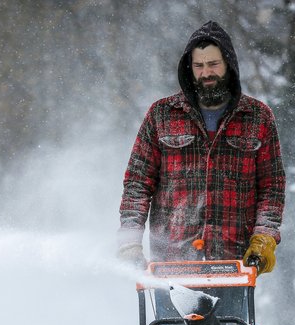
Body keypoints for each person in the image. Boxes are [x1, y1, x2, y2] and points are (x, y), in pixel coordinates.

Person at [117, 20, 285, 273]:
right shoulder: (161, 114)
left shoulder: (257, 117)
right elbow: (137, 183)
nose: (206, 73)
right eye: (199, 66)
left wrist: (264, 238)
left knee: (229, 316)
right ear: (190, 68)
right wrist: (129, 243)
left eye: (214, 64)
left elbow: (272, 187)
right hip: (172, 262)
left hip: (233, 263)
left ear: (229, 64)